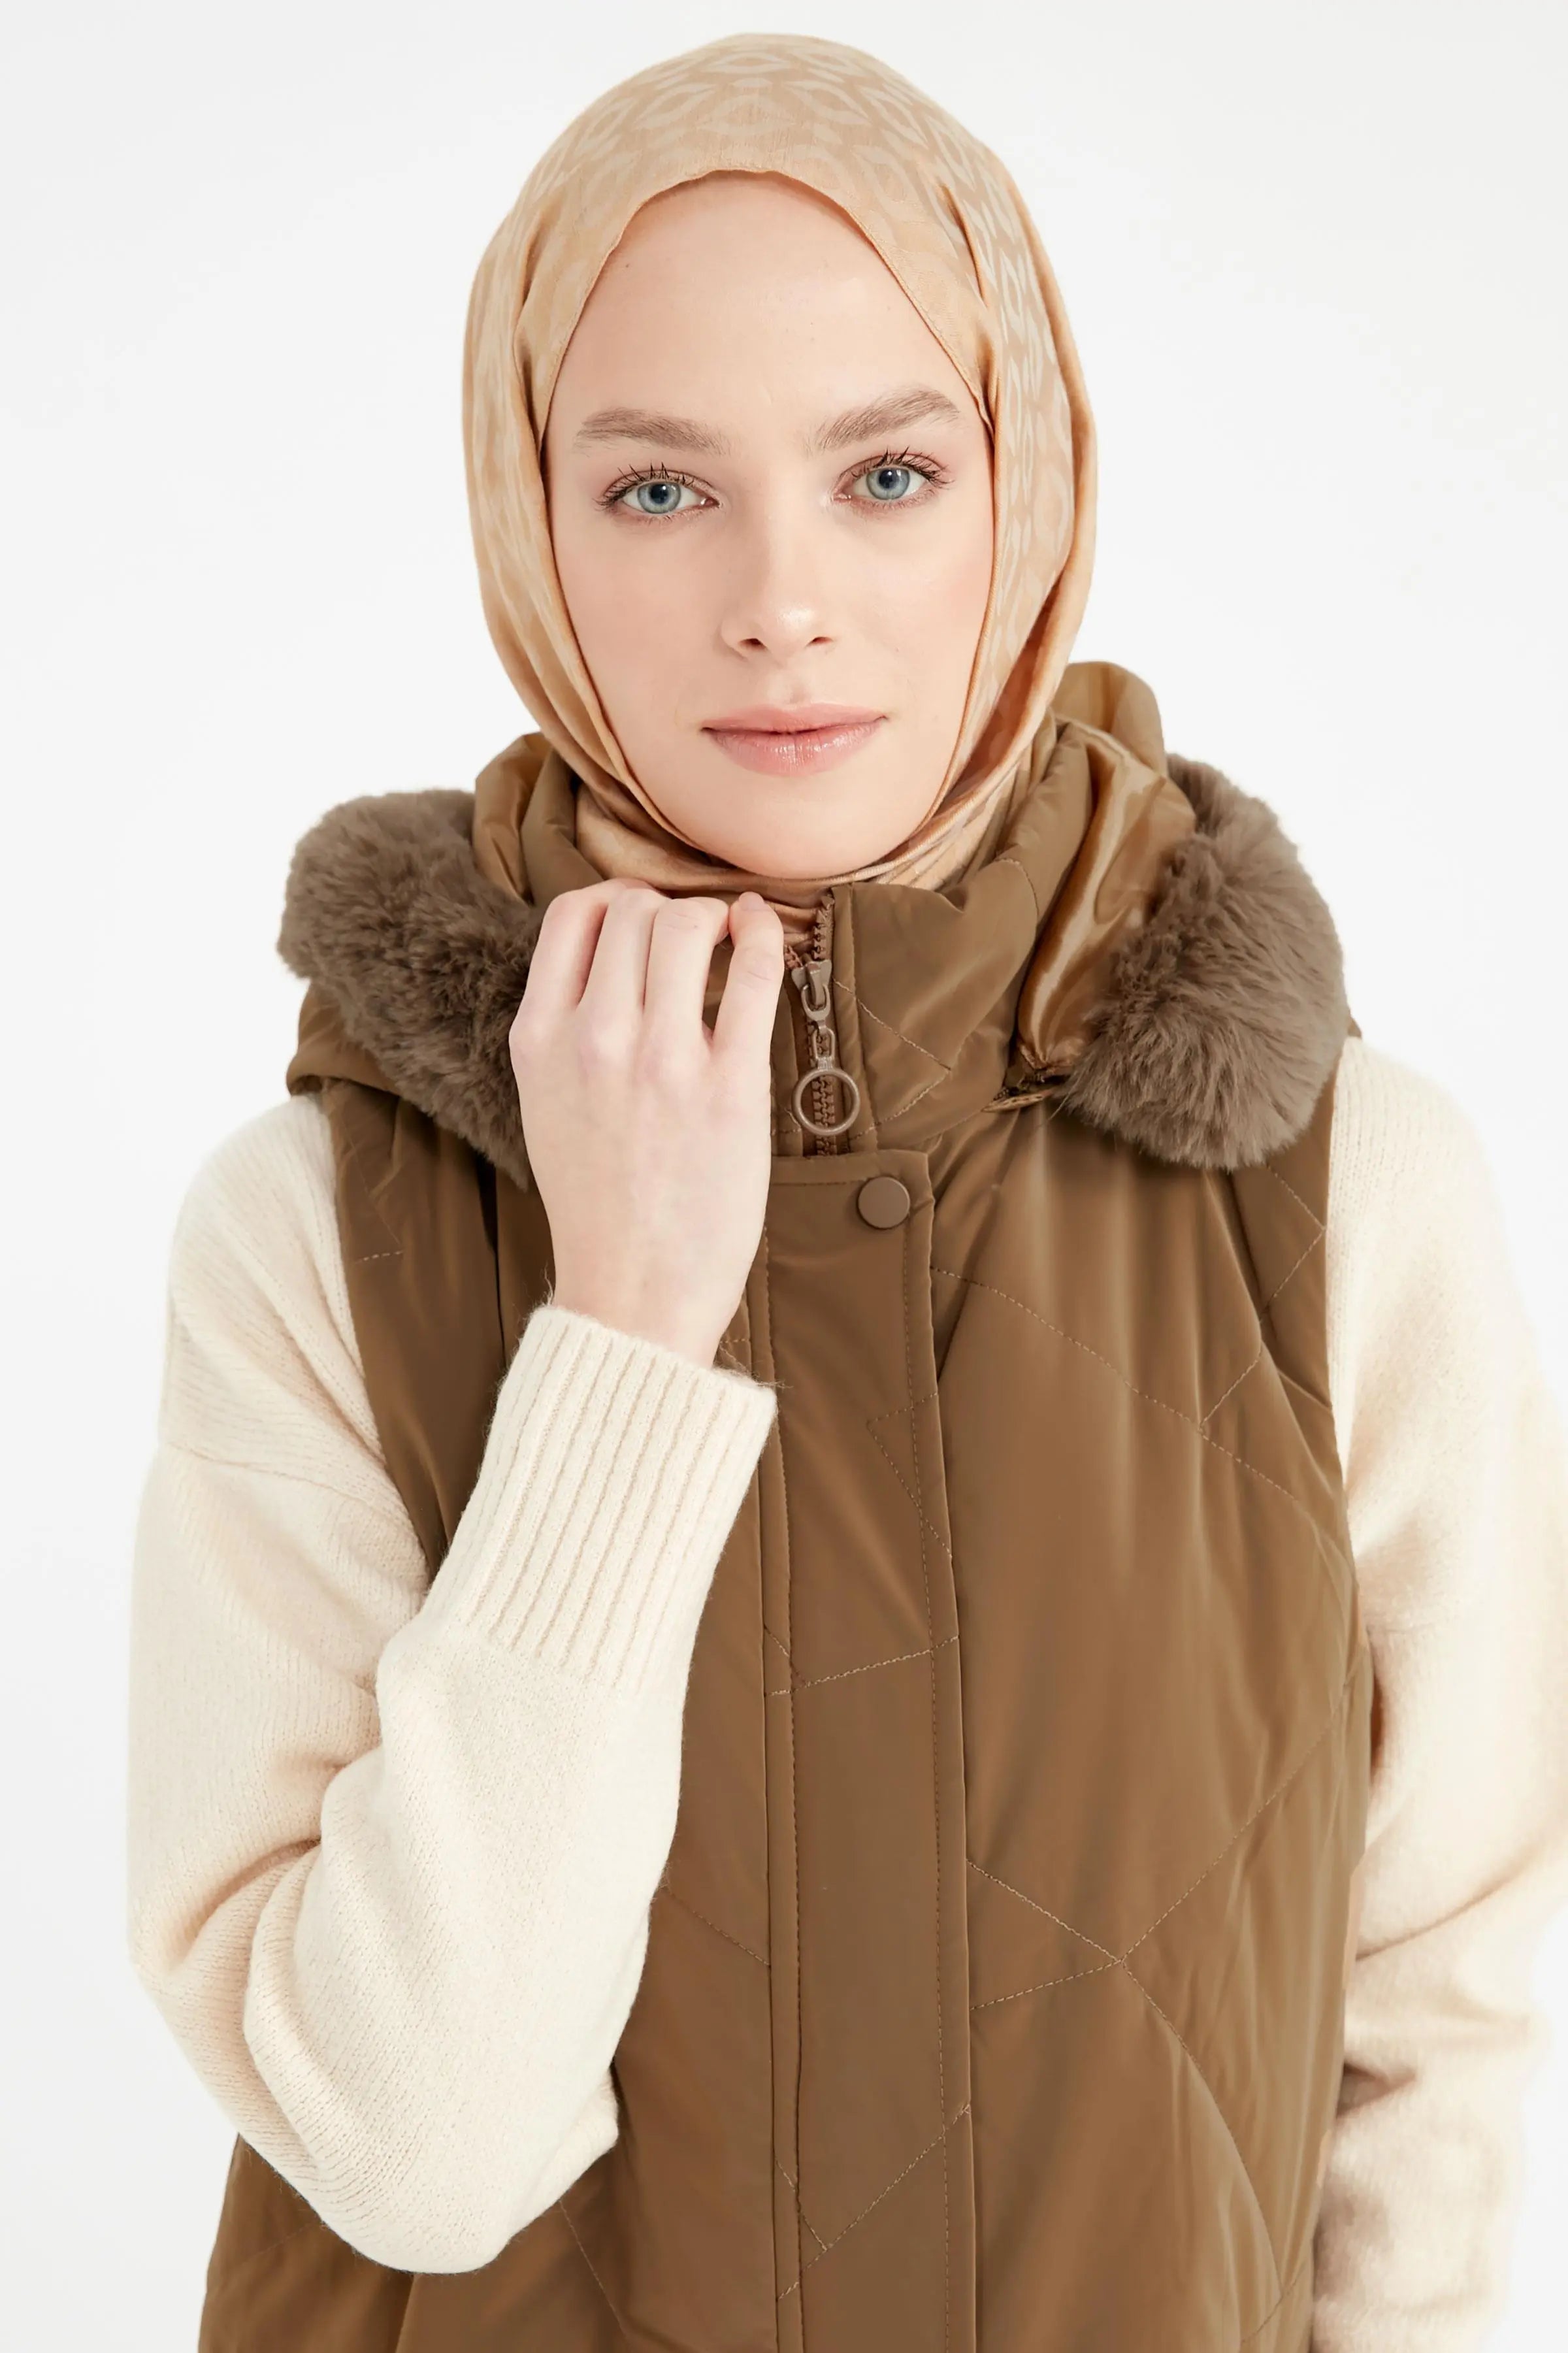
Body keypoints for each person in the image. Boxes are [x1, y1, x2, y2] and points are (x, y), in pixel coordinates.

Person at [125, 31, 1568, 2353]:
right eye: (658, 490)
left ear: (1028, 485)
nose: (780, 601)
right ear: (529, 521)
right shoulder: (315, 1231)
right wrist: (619, 1333)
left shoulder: (1340, 1194)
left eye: (887, 473)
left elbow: (1435, 2032)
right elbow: (417, 2144)